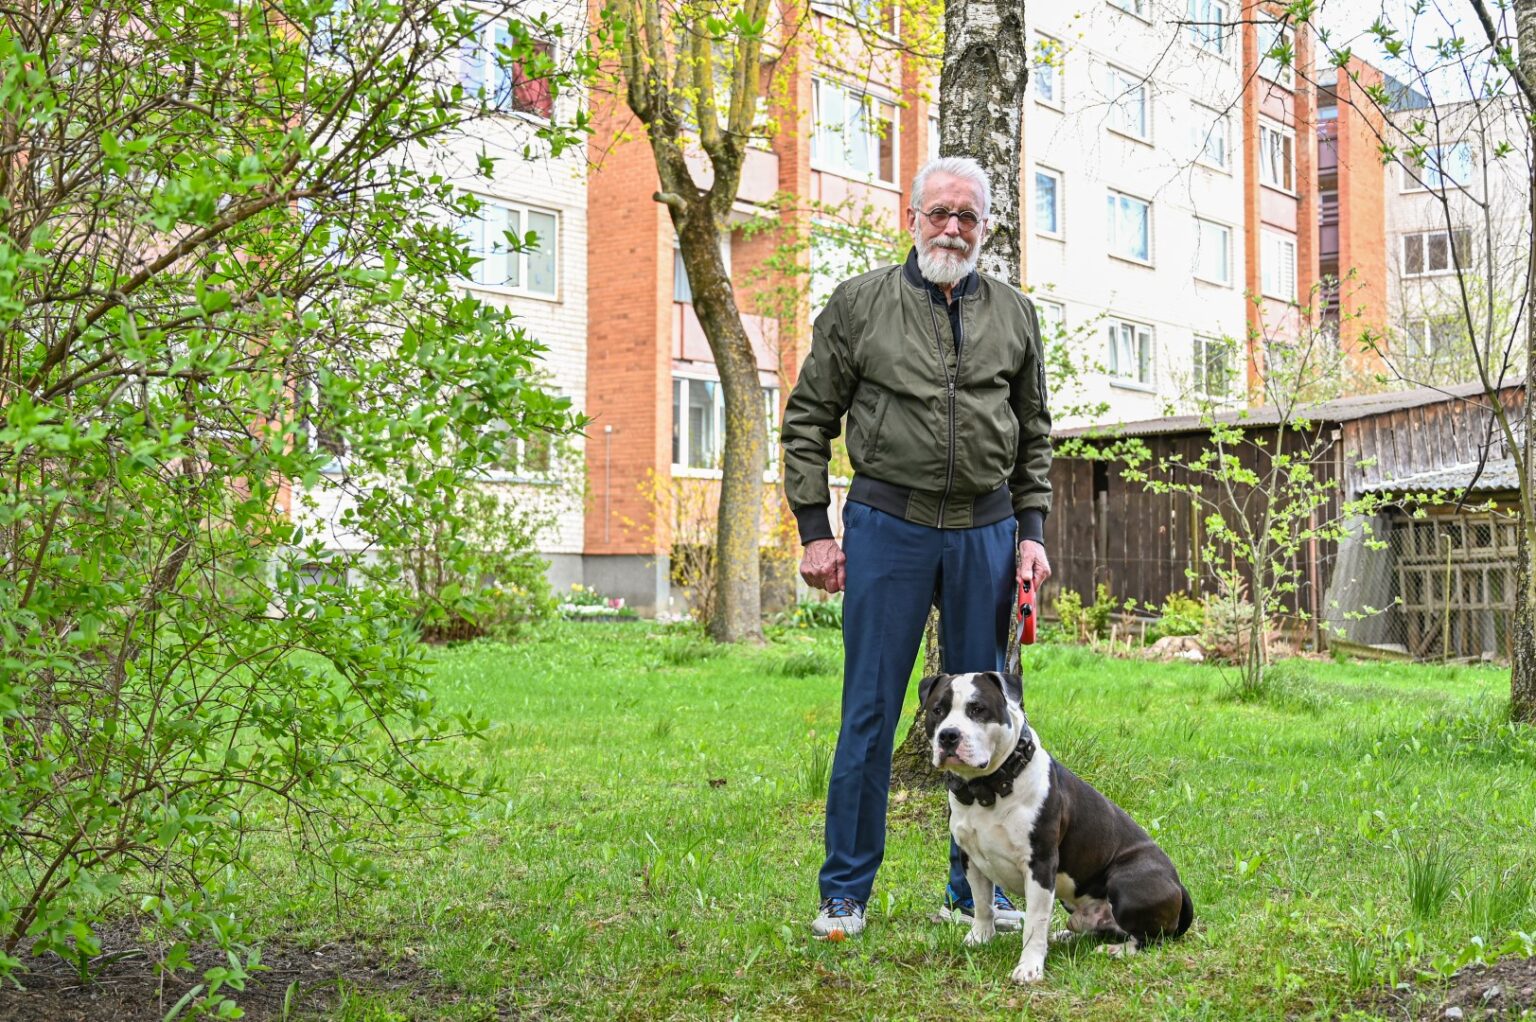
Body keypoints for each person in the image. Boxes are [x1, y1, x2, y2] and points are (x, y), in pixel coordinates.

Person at [780, 155, 1053, 939]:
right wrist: (814, 529)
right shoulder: (859, 304)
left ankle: (977, 893)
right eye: (938, 213)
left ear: (987, 229)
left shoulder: (1015, 314)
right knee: (868, 711)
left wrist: (1030, 537)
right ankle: (844, 892)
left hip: (985, 533)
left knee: (990, 724)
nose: (952, 229)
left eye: (967, 217)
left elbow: (1035, 436)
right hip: (887, 527)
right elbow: (806, 421)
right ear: (912, 219)